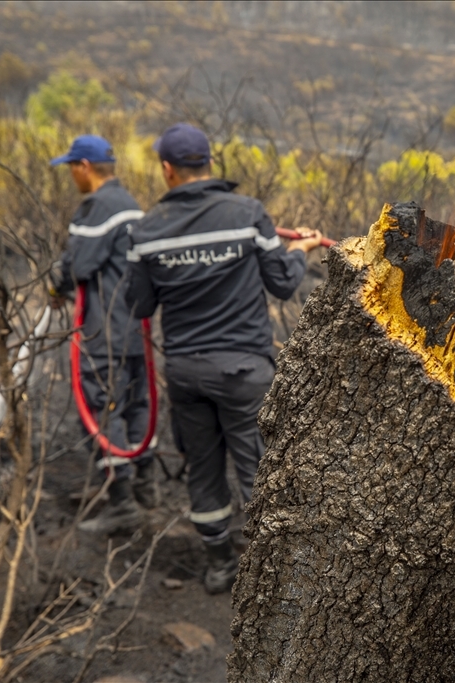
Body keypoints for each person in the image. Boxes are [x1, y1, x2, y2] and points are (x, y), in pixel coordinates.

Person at [125, 123, 323, 594]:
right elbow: (281, 282)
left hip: (187, 373)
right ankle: (267, 575)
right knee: (257, 467)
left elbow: (139, 307)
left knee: (203, 466)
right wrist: (299, 250)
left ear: (167, 169)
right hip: (243, 372)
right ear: (210, 163)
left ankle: (219, 563)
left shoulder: (145, 230)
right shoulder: (247, 213)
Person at [49, 135, 158, 534]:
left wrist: (54, 288)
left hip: (103, 331)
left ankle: (123, 503)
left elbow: (78, 266)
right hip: (133, 329)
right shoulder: (130, 204)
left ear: (84, 166)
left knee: (103, 408)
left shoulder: (97, 207)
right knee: (134, 404)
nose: (71, 176)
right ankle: (148, 488)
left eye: (71, 168)